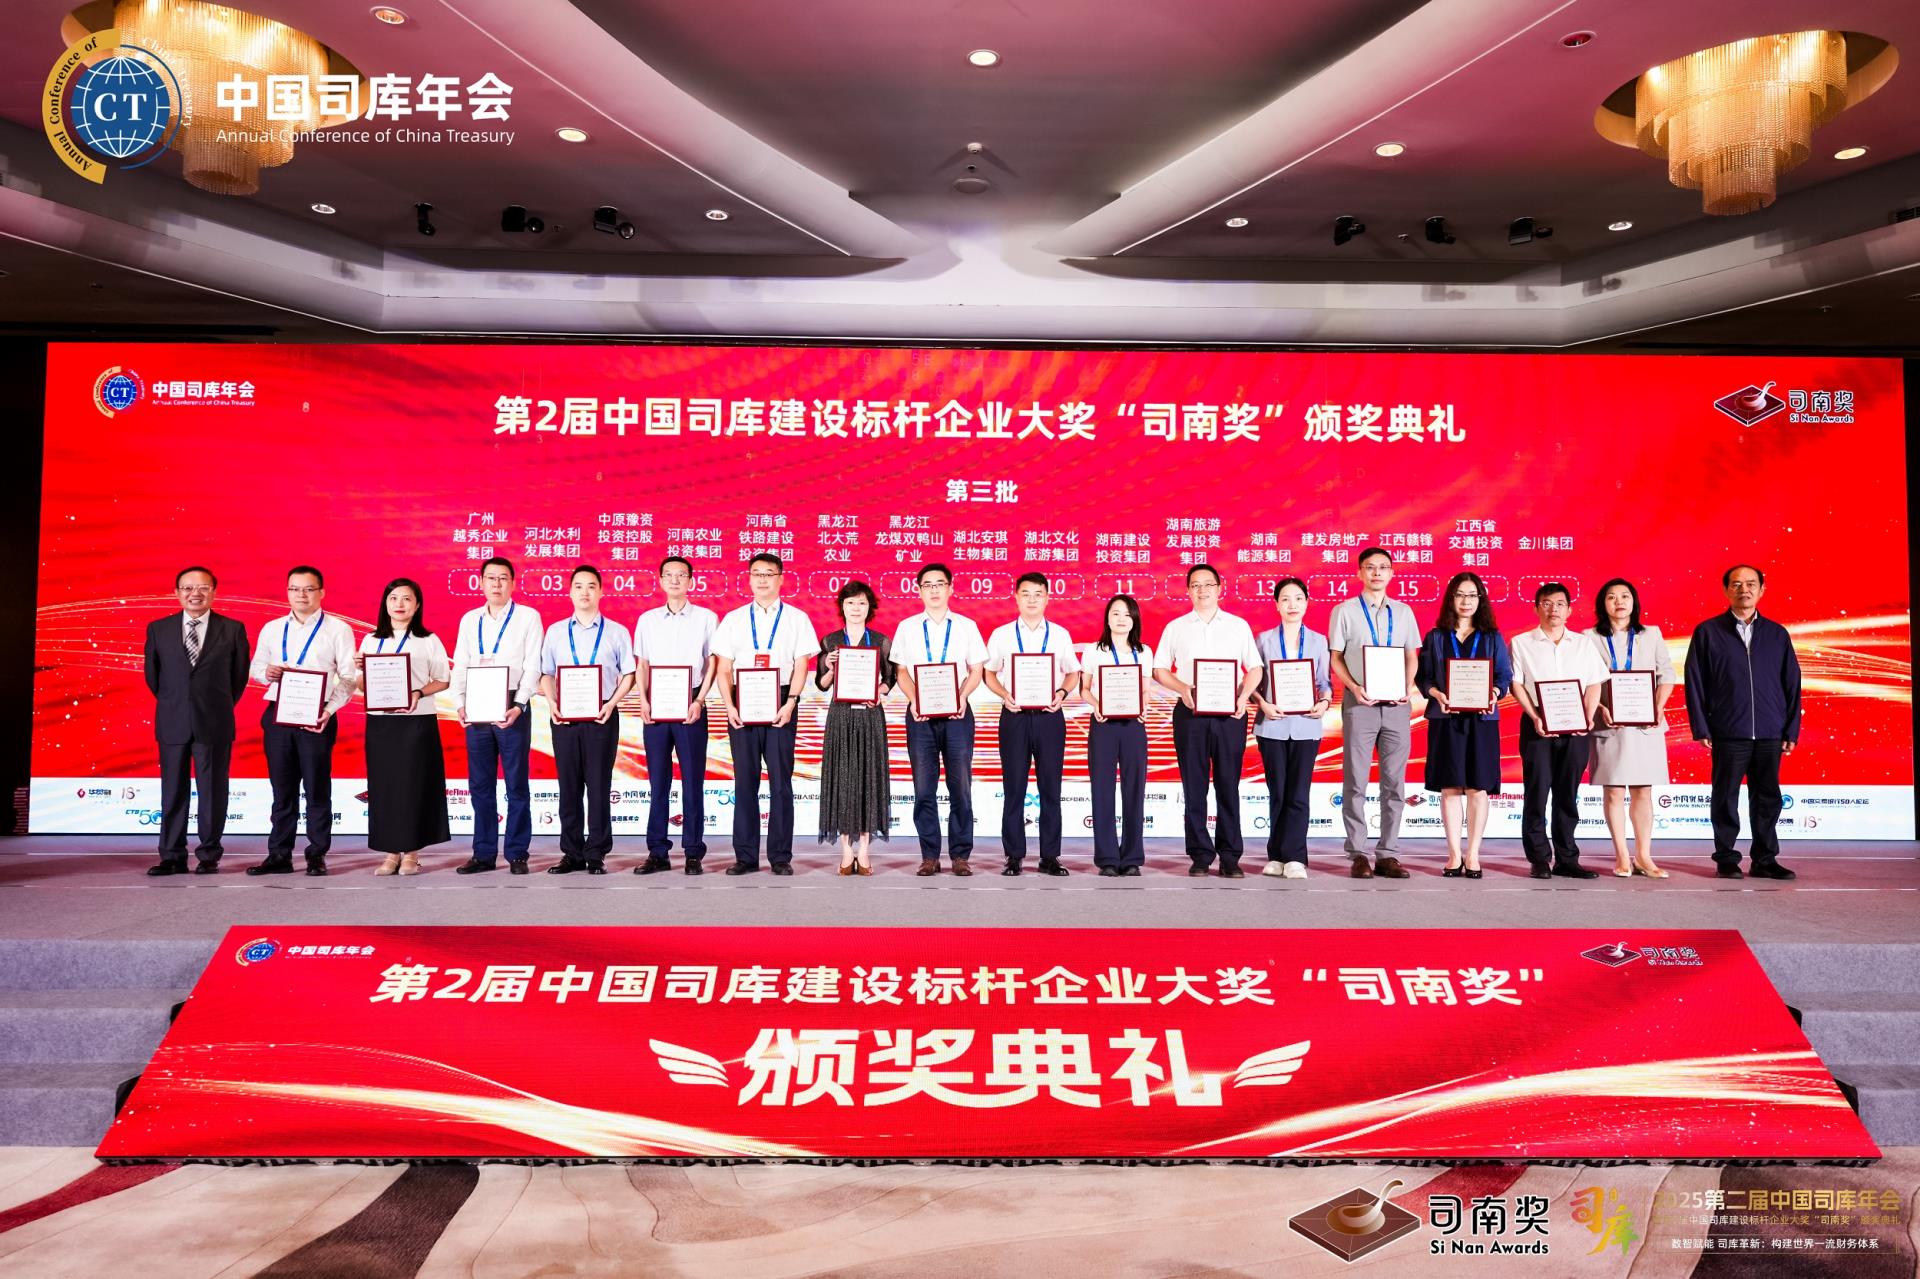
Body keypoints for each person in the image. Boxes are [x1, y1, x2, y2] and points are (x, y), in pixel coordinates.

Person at [1684, 564, 1803, 880]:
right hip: (1728, 730)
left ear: (1762, 590)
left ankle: (1765, 859)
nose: (1744, 590)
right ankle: (1726, 858)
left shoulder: (1777, 634)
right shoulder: (1708, 632)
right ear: (1726, 590)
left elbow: (1792, 683)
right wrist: (1701, 726)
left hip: (1770, 731)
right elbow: (1695, 682)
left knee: (1767, 797)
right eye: (1736, 584)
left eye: (1751, 584)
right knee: (1725, 797)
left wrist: (1791, 728)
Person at [246, 565, 358, 876]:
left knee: (317, 788)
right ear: (287, 592)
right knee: (282, 789)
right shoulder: (272, 628)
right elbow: (255, 668)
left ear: (321, 592)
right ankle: (279, 855)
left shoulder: (338, 629)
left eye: (309, 589)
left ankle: (316, 854)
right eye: (295, 589)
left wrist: (329, 711)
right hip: (278, 715)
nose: (301, 595)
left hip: (317, 715)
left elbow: (349, 678)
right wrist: (265, 673)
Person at [1152, 562, 1262, 879]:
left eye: (1208, 584)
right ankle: (1200, 855)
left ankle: (1230, 856)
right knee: (1194, 786)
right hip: (1190, 713)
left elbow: (1255, 668)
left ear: (1219, 588)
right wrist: (1183, 689)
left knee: (1228, 785)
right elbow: (1159, 669)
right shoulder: (1176, 627)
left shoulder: (1238, 626)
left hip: (1230, 715)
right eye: (1196, 585)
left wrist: (1243, 697)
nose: (1202, 590)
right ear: (1188, 590)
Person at [713, 552, 820, 876]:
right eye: (757, 573)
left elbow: (802, 665)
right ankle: (745, 857)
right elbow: (724, 668)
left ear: (781, 579)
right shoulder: (733, 619)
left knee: (780, 783)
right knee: (744, 782)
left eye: (769, 574)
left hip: (782, 702)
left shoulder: (797, 618)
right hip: (742, 703)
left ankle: (780, 856)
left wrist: (792, 702)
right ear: (749, 579)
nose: (762, 580)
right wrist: (729, 706)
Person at [142, 566, 249, 876]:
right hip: (172, 721)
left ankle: (209, 855)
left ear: (213, 592)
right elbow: (153, 677)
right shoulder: (158, 629)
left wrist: (213, 705)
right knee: (172, 791)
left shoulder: (232, 629)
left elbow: (238, 678)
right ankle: (171, 856)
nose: (195, 593)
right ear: (177, 593)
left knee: (213, 791)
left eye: (203, 588)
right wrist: (178, 703)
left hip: (214, 722)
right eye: (187, 588)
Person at [1327, 547, 1422, 879]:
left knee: (1394, 782)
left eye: (1383, 567)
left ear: (1392, 573)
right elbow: (1336, 657)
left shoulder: (1404, 612)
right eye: (1370, 567)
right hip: (1360, 704)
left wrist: (1407, 686)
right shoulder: (1344, 611)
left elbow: (1412, 656)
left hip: (1396, 706)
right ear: (1360, 573)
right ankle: (1357, 853)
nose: (1377, 573)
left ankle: (1388, 854)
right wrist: (1354, 688)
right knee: (1355, 780)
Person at [890, 563, 989, 877]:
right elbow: (900, 671)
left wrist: (962, 696)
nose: (933, 590)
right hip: (920, 716)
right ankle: (929, 855)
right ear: (918, 590)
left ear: (950, 588)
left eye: (939, 584)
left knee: (961, 787)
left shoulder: (966, 626)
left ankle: (960, 855)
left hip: (958, 715)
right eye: (927, 585)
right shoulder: (907, 627)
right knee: (924, 789)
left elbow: (976, 670)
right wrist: (914, 700)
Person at [537, 565, 636, 875]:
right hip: (564, 717)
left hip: (602, 715)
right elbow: (546, 673)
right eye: (578, 586)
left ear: (601, 592)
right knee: (568, 786)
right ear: (569, 592)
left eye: (591, 586)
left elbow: (629, 674)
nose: (585, 592)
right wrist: (552, 703)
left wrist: (612, 704)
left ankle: (596, 853)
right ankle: (571, 853)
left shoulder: (617, 632)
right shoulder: (555, 632)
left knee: (598, 786)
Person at [1414, 572, 1512, 879]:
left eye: (1472, 595)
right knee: (1450, 787)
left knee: (1477, 788)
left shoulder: (1492, 637)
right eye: (1460, 595)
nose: (1466, 601)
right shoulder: (1436, 637)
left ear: (1480, 599)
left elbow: (1504, 677)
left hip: (1482, 720)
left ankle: (1473, 854)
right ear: (1450, 599)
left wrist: (1494, 692)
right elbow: (1423, 677)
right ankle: (1454, 854)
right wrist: (1436, 694)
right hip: (1446, 719)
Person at [450, 557, 543, 875]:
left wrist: (519, 704)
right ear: (481, 583)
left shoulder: (528, 617)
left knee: (516, 783)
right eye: (491, 578)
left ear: (513, 583)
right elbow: (460, 662)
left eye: (503, 578)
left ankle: (517, 853)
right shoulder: (469, 619)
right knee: (480, 784)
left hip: (511, 703)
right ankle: (483, 853)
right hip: (476, 704)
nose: (497, 584)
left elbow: (533, 665)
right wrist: (460, 703)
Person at [984, 573, 1081, 876]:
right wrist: (1004, 696)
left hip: (1050, 716)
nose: (1032, 599)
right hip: (1014, 715)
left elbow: (1073, 672)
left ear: (1047, 598)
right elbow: (989, 673)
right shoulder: (1002, 634)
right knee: (1014, 788)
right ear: (1016, 597)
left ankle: (1050, 856)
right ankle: (1014, 856)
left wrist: (1062, 693)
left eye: (1038, 594)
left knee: (1050, 788)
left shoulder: (1060, 634)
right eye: (1025, 593)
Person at [1509, 581, 1607, 880]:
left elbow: (1594, 682)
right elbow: (1516, 684)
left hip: (1576, 727)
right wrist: (1534, 716)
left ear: (1569, 610)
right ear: (1537, 608)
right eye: (1547, 603)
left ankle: (1567, 859)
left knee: (1567, 795)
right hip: (1537, 725)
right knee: (1536, 793)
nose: (1554, 609)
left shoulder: (1583, 643)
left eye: (1560, 604)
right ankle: (1539, 858)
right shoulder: (1521, 642)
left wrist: (1587, 716)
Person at [356, 578, 451, 876]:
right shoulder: (371, 640)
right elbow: (362, 686)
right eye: (393, 598)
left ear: (417, 605)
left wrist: (418, 692)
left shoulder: (428, 639)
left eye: (407, 598)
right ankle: (390, 852)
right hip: (381, 723)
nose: (399, 604)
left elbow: (443, 679)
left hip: (416, 722)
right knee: (385, 787)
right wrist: (360, 669)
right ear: (385, 603)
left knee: (414, 785)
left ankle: (411, 852)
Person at [632, 556, 718, 876]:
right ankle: (658, 851)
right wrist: (643, 700)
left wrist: (700, 700)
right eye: (669, 575)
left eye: (681, 575)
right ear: (660, 581)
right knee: (658, 782)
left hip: (691, 703)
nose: (675, 580)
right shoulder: (648, 620)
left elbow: (712, 663)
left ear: (691, 581)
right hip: (656, 706)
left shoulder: (706, 618)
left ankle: (693, 852)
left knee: (693, 780)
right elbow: (642, 664)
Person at [1586, 578, 1677, 878]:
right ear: (1603, 604)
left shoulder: (1651, 634)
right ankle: (1622, 856)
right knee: (1613, 791)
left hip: (1645, 724)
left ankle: (1644, 856)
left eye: (1625, 596)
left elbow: (1667, 674)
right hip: (1608, 723)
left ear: (1634, 602)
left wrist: (1658, 706)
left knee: (1643, 790)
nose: (1619, 602)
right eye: (1611, 597)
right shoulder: (1588, 638)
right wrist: (1600, 708)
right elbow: (1586, 680)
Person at [1252, 577, 1332, 879]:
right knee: (1277, 793)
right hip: (1272, 725)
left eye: (1298, 598)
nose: (1292, 604)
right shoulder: (1263, 640)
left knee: (1298, 793)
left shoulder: (1319, 641)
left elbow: (1324, 682)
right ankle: (1276, 856)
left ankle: (1296, 857)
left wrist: (1324, 702)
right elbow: (1254, 683)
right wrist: (1262, 703)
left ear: (1307, 603)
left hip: (1306, 725)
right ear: (1276, 604)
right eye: (1285, 599)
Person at [814, 579, 894, 875]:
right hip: (841, 717)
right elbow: (822, 684)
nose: (856, 608)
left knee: (869, 778)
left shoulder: (881, 641)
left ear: (869, 607)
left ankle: (865, 849)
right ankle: (846, 850)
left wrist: (880, 692)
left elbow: (890, 680)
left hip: (870, 715)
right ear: (842, 607)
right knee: (843, 779)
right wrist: (831, 667)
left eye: (861, 602)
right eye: (850, 603)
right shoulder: (830, 641)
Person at [1084, 594, 1152, 877]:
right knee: (1102, 789)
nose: (1121, 618)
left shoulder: (1144, 651)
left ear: (1134, 619)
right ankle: (1107, 858)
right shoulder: (1094, 650)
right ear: (1107, 618)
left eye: (1126, 614)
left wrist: (1144, 706)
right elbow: (1084, 689)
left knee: (1134, 789)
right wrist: (1097, 705)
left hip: (1134, 726)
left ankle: (1132, 856)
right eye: (1115, 613)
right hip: (1103, 725)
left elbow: (1145, 690)